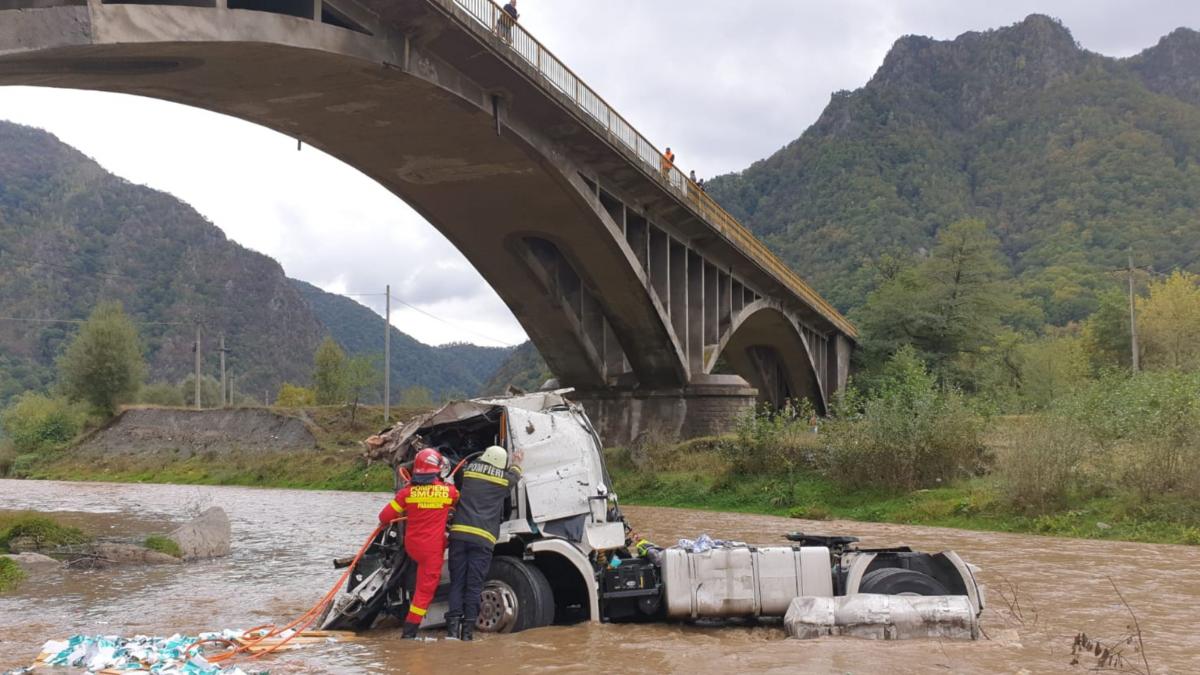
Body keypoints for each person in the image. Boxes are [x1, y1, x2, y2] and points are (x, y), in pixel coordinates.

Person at [378, 447, 459, 640]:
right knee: (424, 592)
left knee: (418, 582)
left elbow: (384, 517)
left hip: (412, 546)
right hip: (432, 550)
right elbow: (456, 500)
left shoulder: (407, 493)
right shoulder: (449, 492)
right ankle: (409, 633)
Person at [444, 445, 522, 641]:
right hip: (482, 540)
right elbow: (514, 475)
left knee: (457, 584)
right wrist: (517, 462)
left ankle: (452, 631)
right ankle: (467, 633)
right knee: (474, 586)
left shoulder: (468, 472)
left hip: (459, 536)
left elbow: (457, 478)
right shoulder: (503, 480)